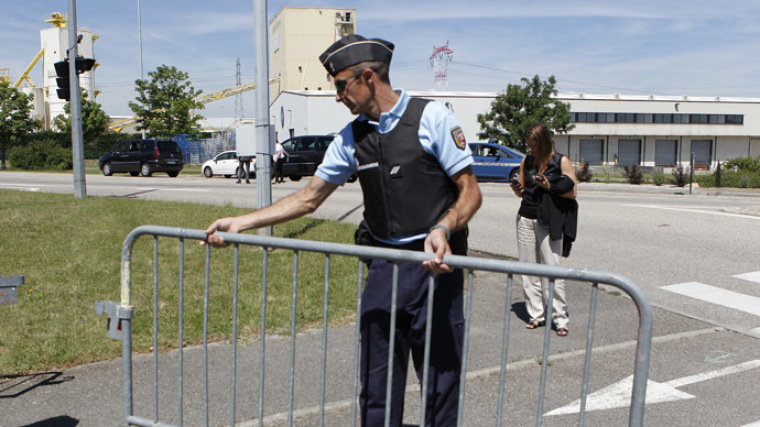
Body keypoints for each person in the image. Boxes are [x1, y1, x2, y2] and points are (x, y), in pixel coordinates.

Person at [203, 34, 482, 426]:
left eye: (340, 86)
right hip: (384, 268)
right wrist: (243, 222)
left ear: (367, 77)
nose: (338, 97)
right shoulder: (352, 136)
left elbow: (470, 190)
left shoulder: (431, 117)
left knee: (440, 383)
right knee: (377, 385)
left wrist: (444, 227)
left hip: (436, 268)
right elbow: (309, 197)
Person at [510, 123, 577, 337]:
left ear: (545, 142)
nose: (531, 150)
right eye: (529, 145)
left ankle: (560, 318)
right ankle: (536, 314)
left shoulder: (560, 160)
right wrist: (517, 189)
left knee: (552, 268)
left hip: (549, 220)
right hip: (526, 217)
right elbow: (524, 190)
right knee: (528, 269)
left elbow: (573, 192)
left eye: (534, 146)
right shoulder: (527, 161)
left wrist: (550, 186)